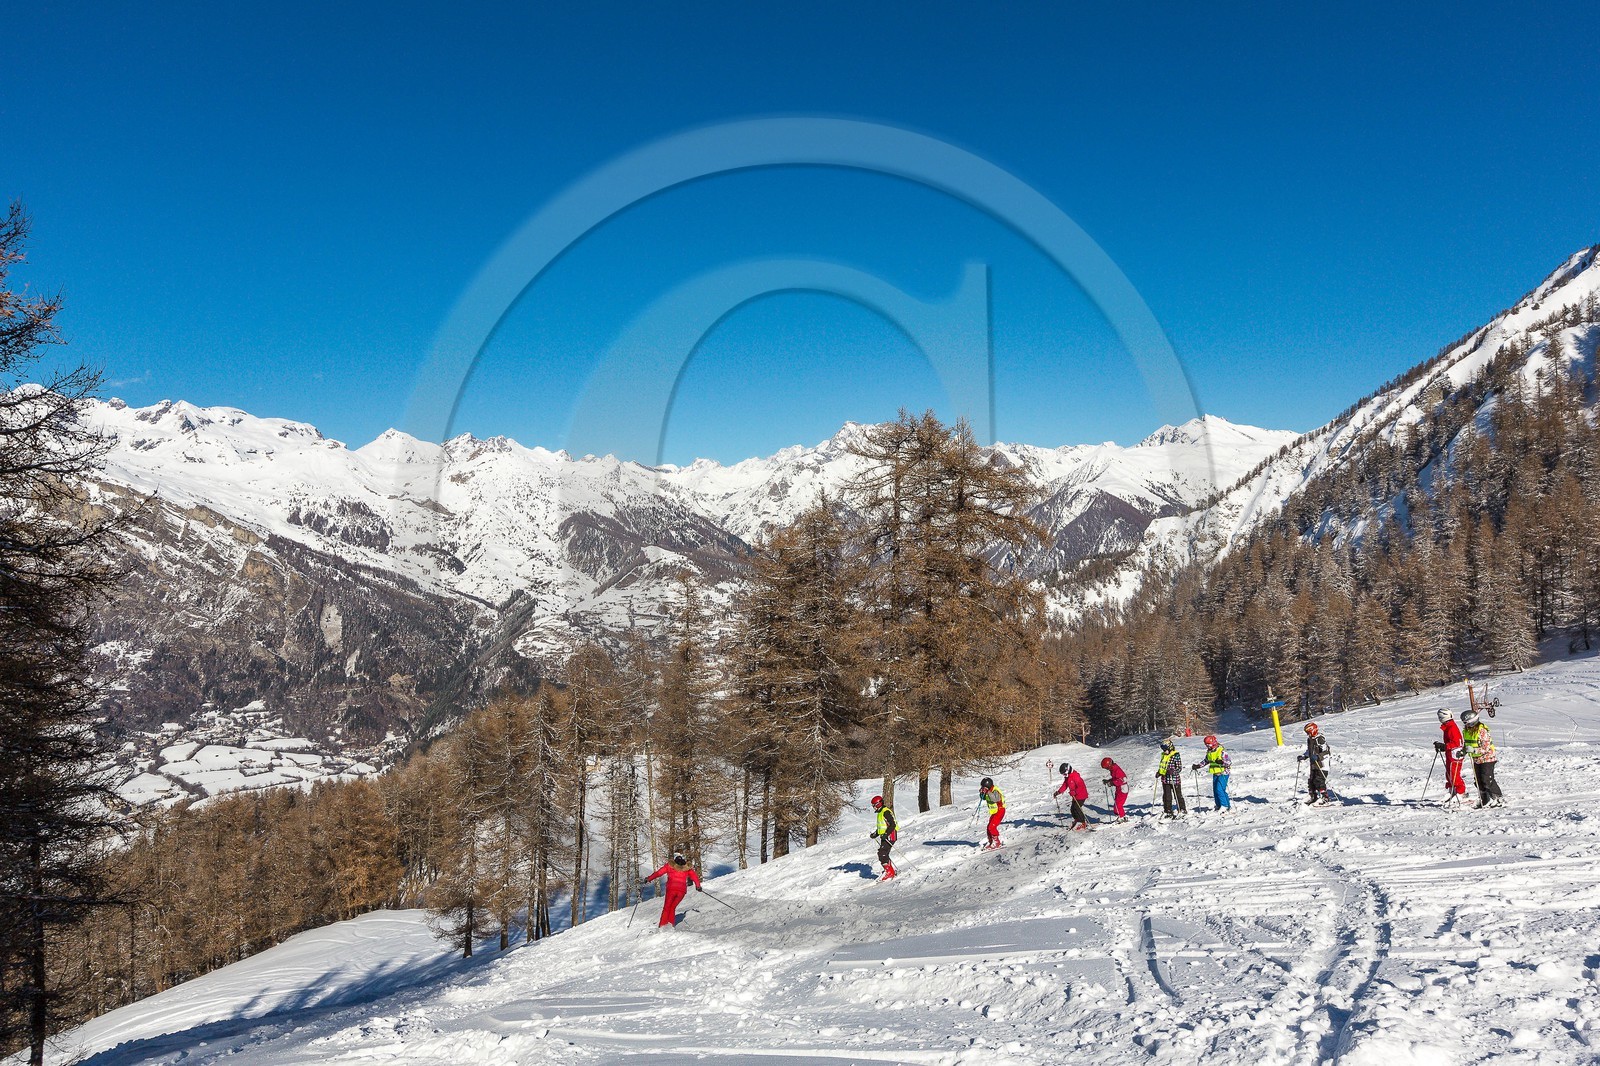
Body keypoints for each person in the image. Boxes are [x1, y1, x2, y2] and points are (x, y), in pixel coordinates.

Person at [643, 852, 702, 928]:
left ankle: (662, 925)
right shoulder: (687, 868)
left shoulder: (670, 866)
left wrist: (649, 878)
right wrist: (698, 886)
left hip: (671, 890)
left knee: (667, 907)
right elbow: (694, 877)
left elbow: (658, 873)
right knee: (672, 907)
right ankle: (670, 925)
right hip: (681, 892)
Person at [1461, 708, 1505, 808]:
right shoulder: (1467, 731)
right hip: (1476, 759)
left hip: (1487, 758)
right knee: (1478, 780)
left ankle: (1498, 798)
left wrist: (1474, 750)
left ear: (1472, 722)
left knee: (1487, 779)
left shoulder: (1482, 730)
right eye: (1464, 723)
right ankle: (1485, 798)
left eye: (1467, 722)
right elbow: (1467, 744)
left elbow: (1486, 747)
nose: (1466, 725)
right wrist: (1463, 751)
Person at [1434, 708, 1467, 806]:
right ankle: (1452, 790)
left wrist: (1445, 746)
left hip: (1455, 754)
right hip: (1450, 753)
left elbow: (1457, 743)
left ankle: (1461, 792)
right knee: (1449, 773)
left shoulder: (1452, 727)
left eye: (1439, 717)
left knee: (1454, 774)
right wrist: (1443, 747)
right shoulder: (1447, 726)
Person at [1192, 734, 1232, 811]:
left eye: (1209, 744)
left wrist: (1221, 762)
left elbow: (1229, 762)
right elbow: (1206, 761)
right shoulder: (1209, 752)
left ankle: (1225, 806)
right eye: (1206, 745)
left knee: (1219, 789)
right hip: (1215, 773)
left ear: (1213, 743)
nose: (1207, 746)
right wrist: (1198, 766)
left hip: (1223, 772)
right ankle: (1219, 805)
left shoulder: (1221, 751)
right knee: (1216, 791)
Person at [1297, 722, 1332, 805]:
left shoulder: (1320, 739)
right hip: (1313, 764)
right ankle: (1313, 796)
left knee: (1319, 780)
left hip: (1322, 764)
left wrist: (1318, 756)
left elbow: (1326, 751)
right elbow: (1309, 751)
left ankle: (1325, 797)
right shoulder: (1310, 739)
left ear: (1313, 730)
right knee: (1311, 781)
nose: (1308, 735)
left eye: (1308, 732)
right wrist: (1304, 756)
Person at [868, 795, 898, 879]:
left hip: (890, 835)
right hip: (885, 836)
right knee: (882, 853)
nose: (873, 807)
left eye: (874, 805)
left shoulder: (886, 812)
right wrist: (875, 834)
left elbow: (892, 825)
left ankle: (890, 873)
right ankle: (890, 871)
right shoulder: (880, 813)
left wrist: (886, 834)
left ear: (878, 804)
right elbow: (882, 827)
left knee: (882, 853)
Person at [1055, 763, 1091, 830]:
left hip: (1081, 795)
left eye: (1064, 774)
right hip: (1075, 796)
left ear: (1068, 770)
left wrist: (1075, 792)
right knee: (1072, 809)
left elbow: (1081, 787)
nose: (1064, 775)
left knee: (1077, 808)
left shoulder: (1075, 776)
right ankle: (1077, 820)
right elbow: (1065, 785)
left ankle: (1082, 822)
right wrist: (1058, 792)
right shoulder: (1068, 777)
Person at [1156, 738, 1186, 817]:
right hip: (1165, 779)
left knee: (1177, 795)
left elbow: (1179, 768)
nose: (1164, 751)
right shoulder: (1163, 755)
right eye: (1163, 749)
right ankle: (1168, 811)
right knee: (1166, 796)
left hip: (1174, 779)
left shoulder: (1175, 755)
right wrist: (1159, 772)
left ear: (1170, 747)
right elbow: (1163, 766)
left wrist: (1173, 771)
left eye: (1165, 749)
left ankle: (1182, 809)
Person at [979, 777, 1006, 849]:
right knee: (988, 827)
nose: (983, 788)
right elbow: (984, 798)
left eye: (984, 787)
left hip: (1000, 810)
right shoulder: (989, 791)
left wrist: (987, 792)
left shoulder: (995, 791)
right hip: (995, 811)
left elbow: (995, 799)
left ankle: (996, 842)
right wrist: (982, 793)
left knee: (992, 826)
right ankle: (991, 841)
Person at [1101, 756, 1129, 821]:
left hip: (1123, 789)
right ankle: (1122, 816)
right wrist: (1108, 781)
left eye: (1107, 768)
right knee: (1116, 805)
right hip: (1119, 789)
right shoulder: (1113, 769)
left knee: (1118, 805)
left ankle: (1121, 817)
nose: (1107, 769)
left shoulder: (1117, 770)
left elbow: (1123, 779)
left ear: (1109, 765)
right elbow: (1115, 778)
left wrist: (1112, 783)